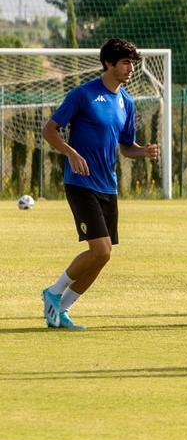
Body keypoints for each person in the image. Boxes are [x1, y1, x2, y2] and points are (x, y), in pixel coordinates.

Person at [39, 38, 159, 331]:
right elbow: (49, 130)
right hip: (80, 183)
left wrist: (142, 151)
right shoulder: (83, 95)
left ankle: (61, 310)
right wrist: (71, 153)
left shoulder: (127, 102)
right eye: (126, 62)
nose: (131, 68)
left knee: (103, 256)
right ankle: (53, 292)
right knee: (101, 250)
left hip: (109, 186)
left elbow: (126, 145)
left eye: (133, 62)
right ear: (109, 63)